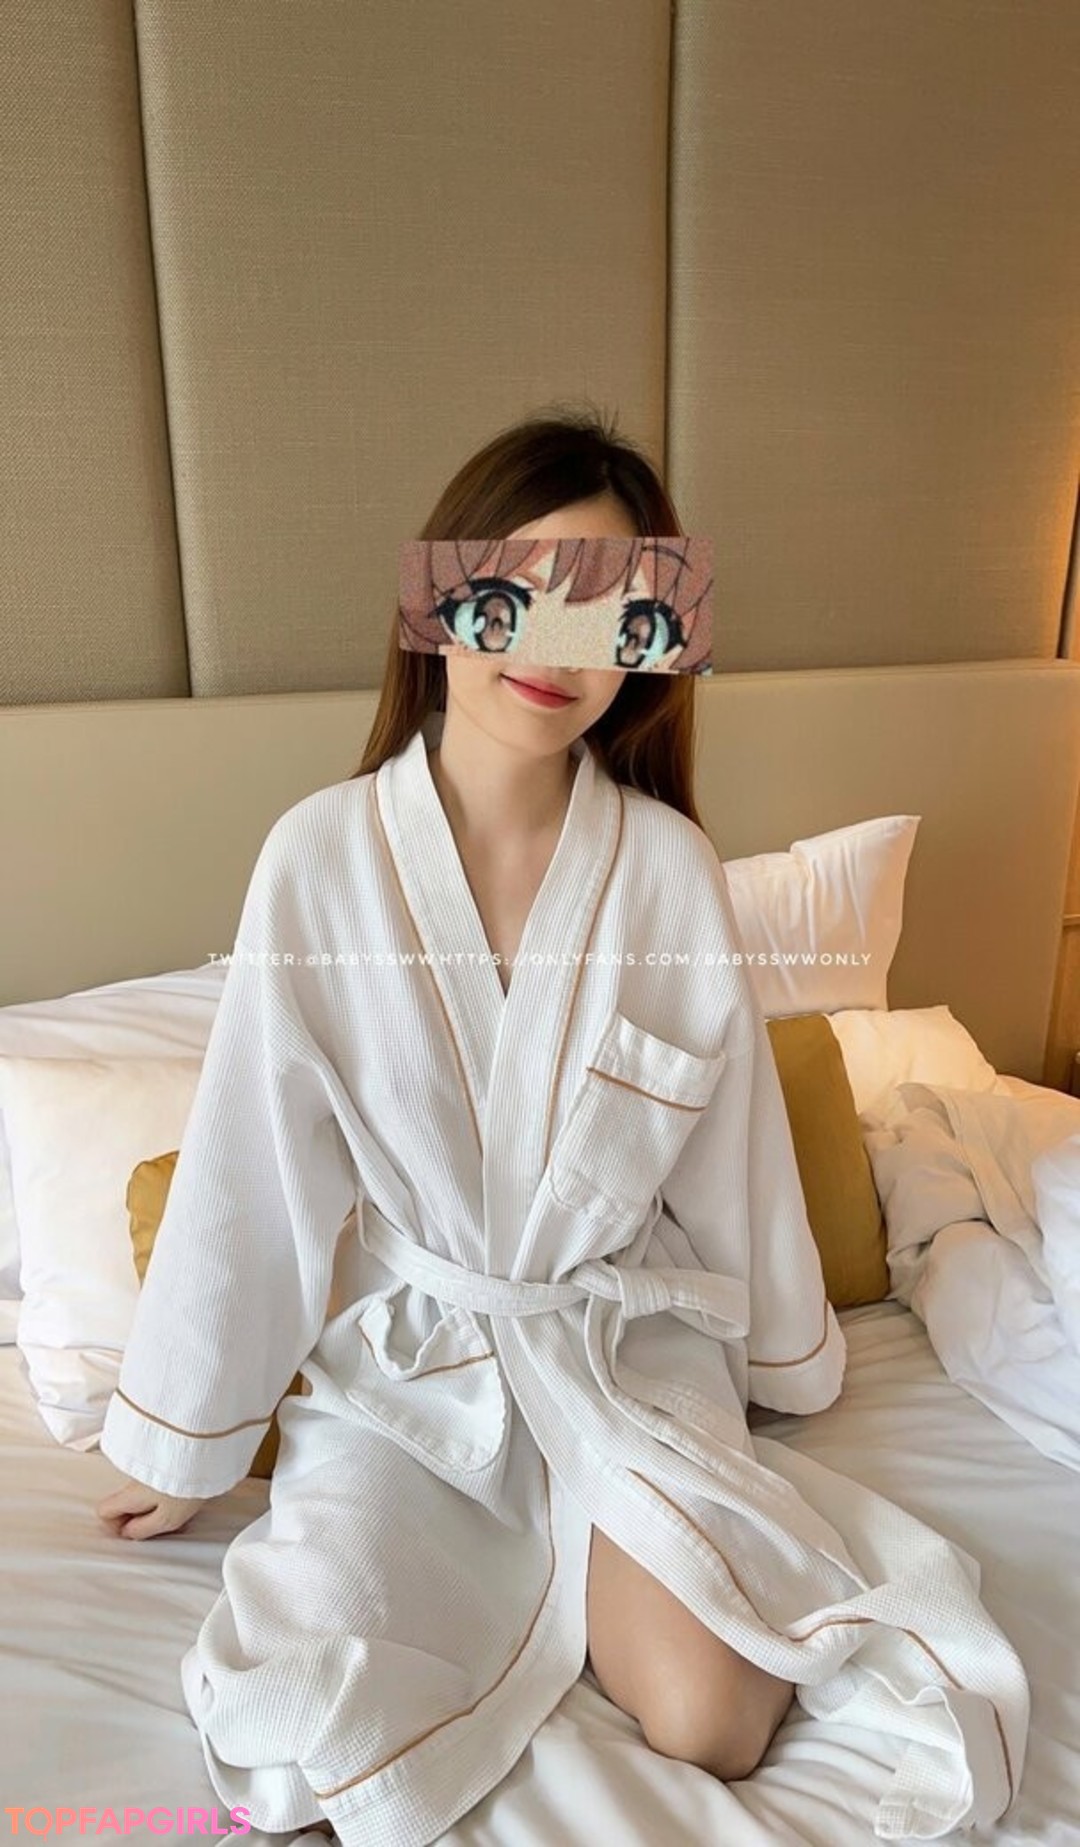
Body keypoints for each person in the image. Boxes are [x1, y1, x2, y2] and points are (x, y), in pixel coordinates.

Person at [96, 407, 1027, 1847]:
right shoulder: (321, 861)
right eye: (521, 592)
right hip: (417, 1362)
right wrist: (178, 1447)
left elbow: (730, 1157)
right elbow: (252, 1172)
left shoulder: (665, 872)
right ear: (440, 602)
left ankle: (614, 1546)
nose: (558, 648)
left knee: (714, 1719)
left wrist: (785, 1361)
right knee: (326, 1730)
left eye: (614, 615)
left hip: (617, 1339)